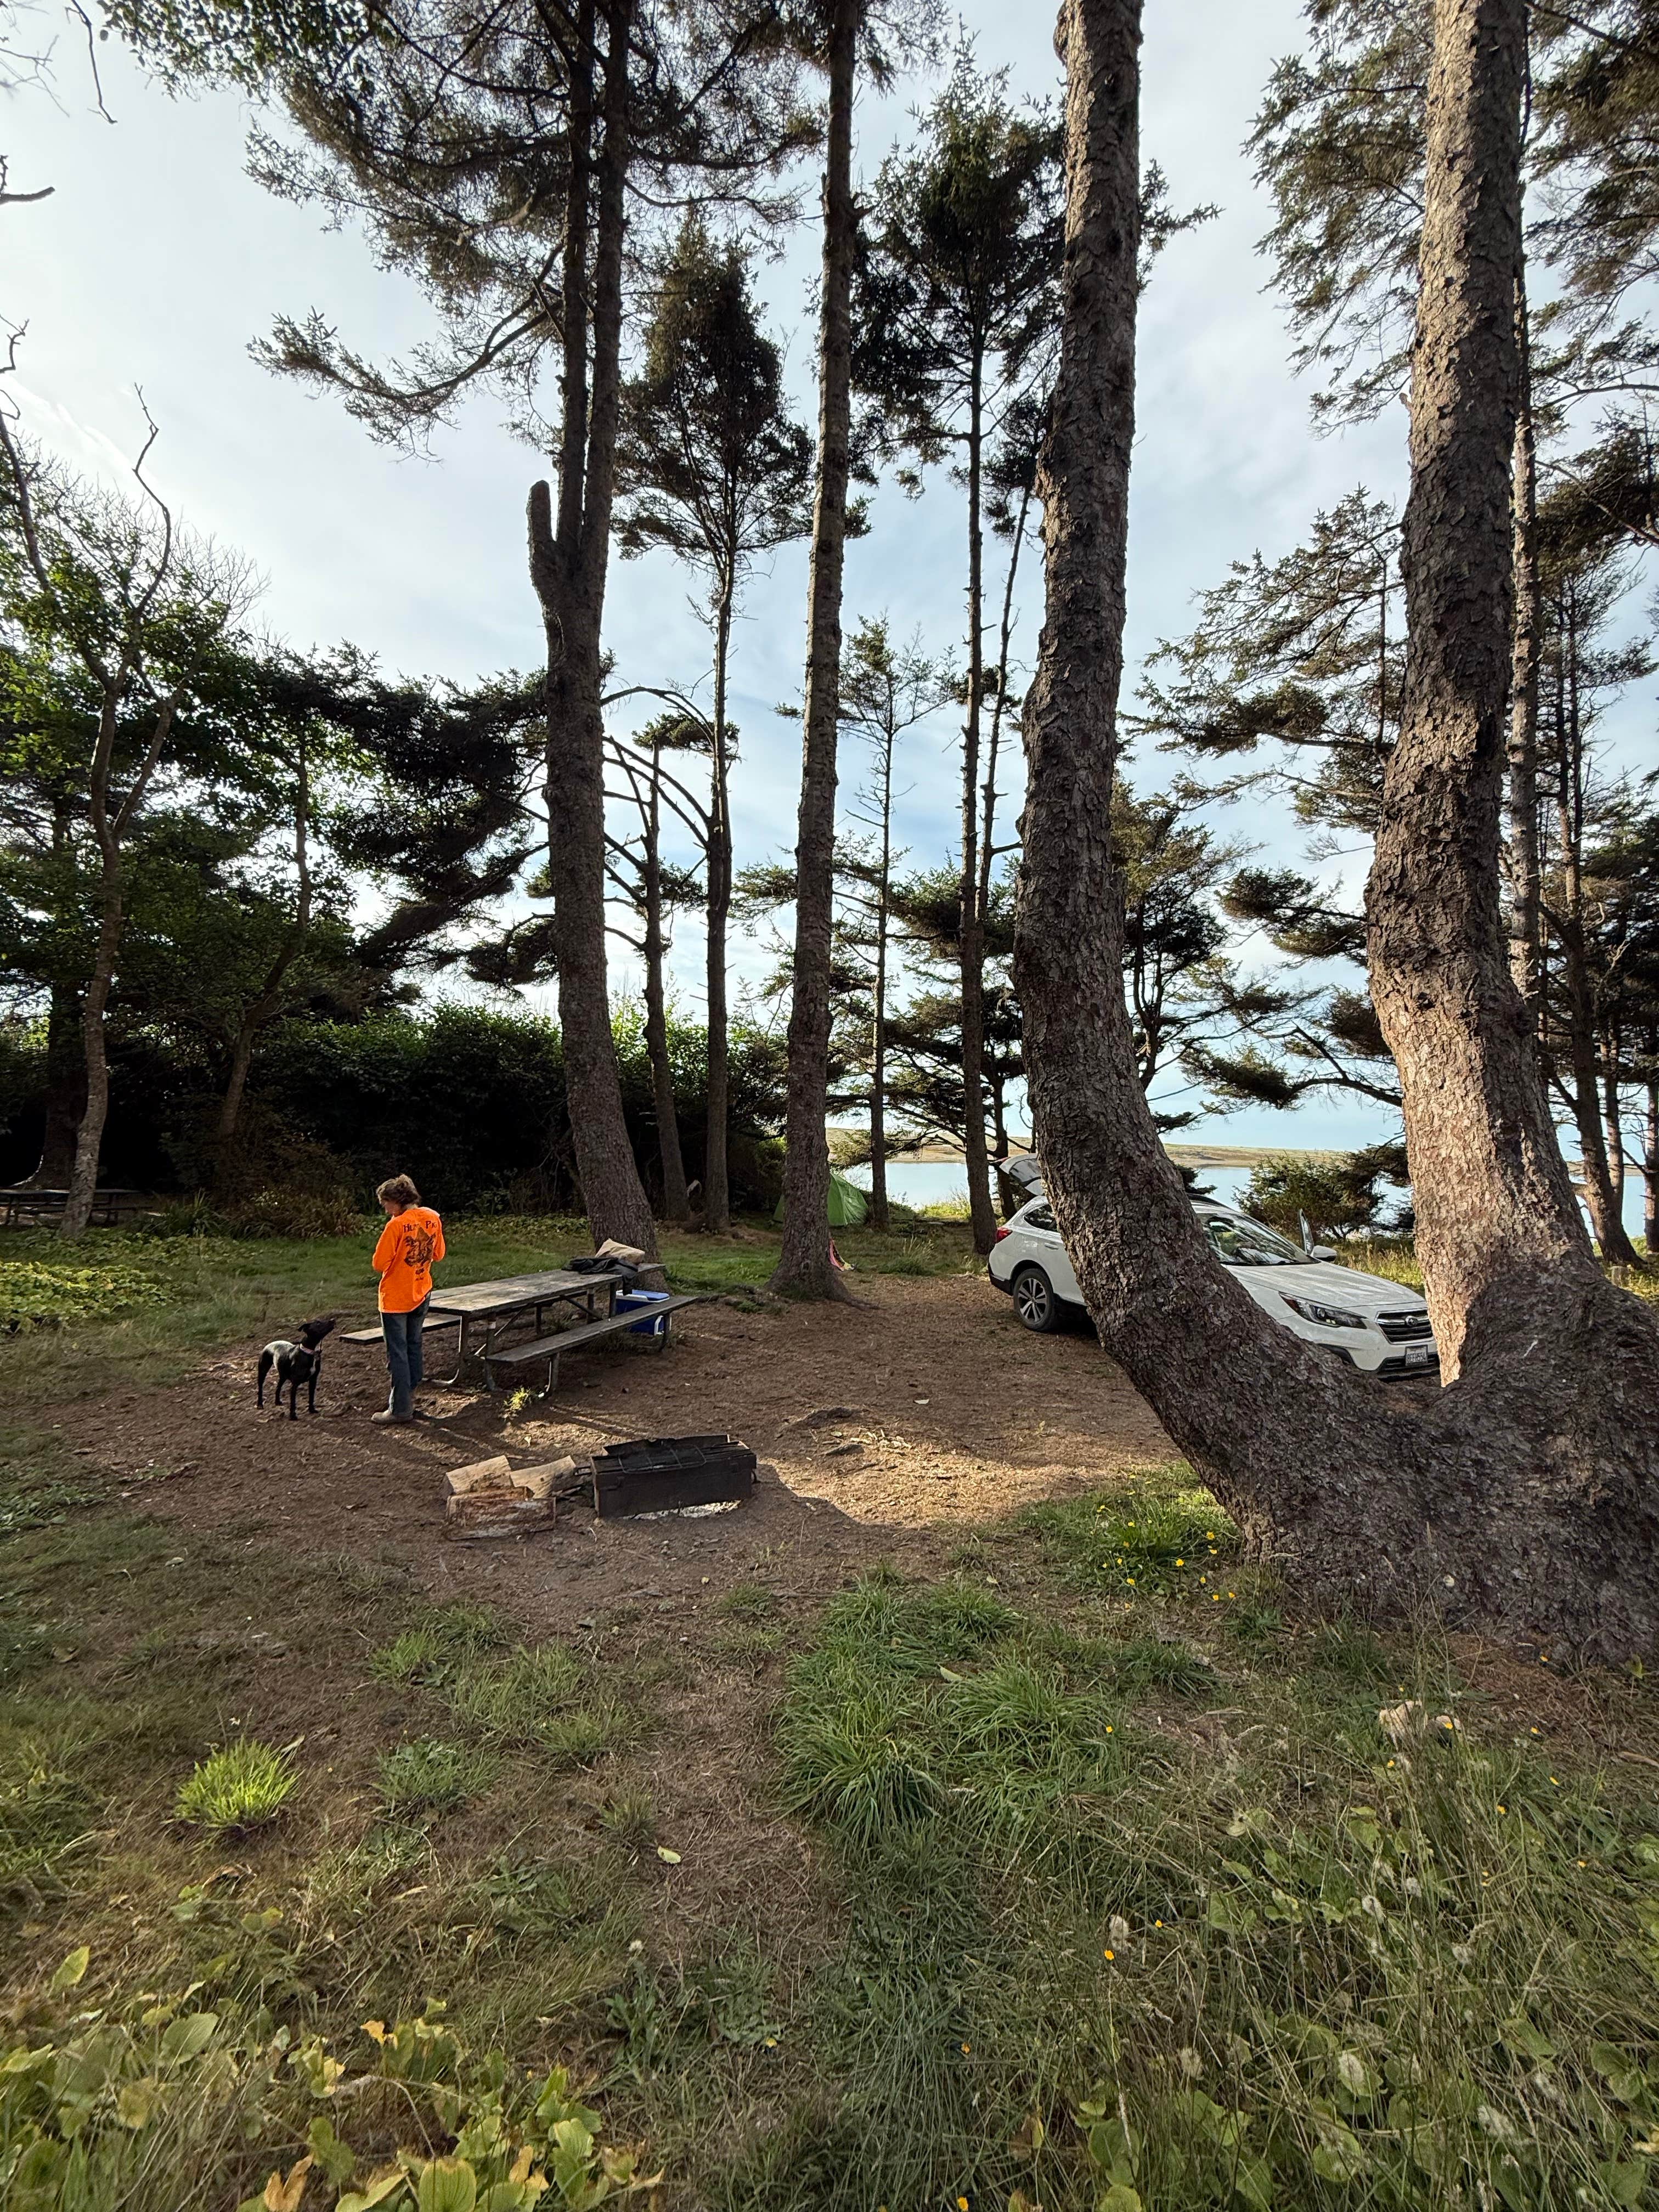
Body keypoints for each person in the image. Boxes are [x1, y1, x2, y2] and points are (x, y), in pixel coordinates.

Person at [370, 1173, 445, 1425]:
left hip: (395, 1298)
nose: (385, 1210)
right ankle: (408, 1395)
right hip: (422, 1290)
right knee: (414, 1345)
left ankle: (401, 1409)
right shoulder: (433, 1217)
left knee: (398, 1352)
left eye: (386, 1205)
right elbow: (439, 1254)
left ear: (396, 1201)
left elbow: (379, 1263)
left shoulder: (396, 1225)